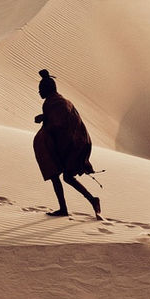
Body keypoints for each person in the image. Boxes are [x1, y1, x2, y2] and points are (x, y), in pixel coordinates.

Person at [32, 69, 100, 219]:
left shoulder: (56, 102)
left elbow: (60, 122)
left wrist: (45, 119)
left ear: (47, 89)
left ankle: (65, 208)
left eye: (40, 89)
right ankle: (91, 200)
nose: (39, 92)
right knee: (65, 176)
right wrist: (45, 117)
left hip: (72, 145)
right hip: (72, 143)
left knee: (57, 175)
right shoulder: (56, 101)